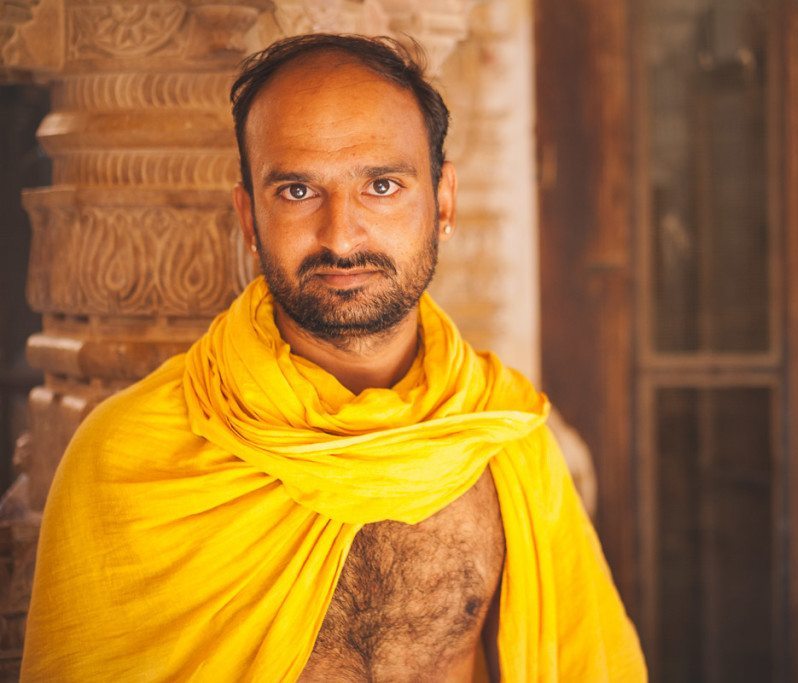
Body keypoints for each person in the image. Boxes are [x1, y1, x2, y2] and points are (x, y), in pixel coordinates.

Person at [21, 34, 646, 681]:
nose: (341, 234)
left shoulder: (502, 435)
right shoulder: (129, 458)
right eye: (297, 191)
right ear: (248, 217)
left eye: (381, 185)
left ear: (444, 203)